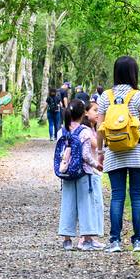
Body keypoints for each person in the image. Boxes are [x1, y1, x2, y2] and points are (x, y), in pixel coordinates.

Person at [97, 56, 140, 253]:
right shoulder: (138, 96)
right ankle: (138, 242)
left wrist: (100, 151)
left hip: (114, 152)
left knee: (117, 196)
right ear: (134, 72)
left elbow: (100, 127)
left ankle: (115, 241)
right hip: (138, 151)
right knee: (138, 197)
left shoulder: (105, 97)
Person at [58, 99, 105, 251]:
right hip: (84, 172)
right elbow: (85, 155)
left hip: (67, 172)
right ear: (82, 113)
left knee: (68, 203)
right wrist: (96, 164)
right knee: (86, 205)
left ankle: (67, 239)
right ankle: (87, 239)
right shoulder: (84, 131)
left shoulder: (62, 130)